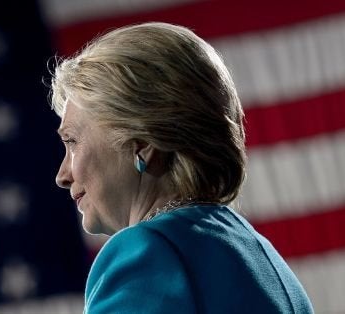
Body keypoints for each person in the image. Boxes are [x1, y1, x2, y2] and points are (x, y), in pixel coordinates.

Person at [49, 22, 313, 313]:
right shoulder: (260, 255)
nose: (63, 175)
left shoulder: (149, 255)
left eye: (72, 141)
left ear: (143, 143)